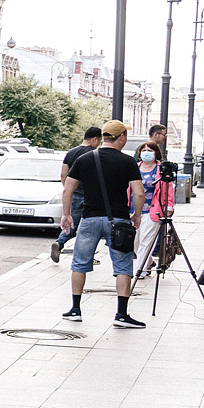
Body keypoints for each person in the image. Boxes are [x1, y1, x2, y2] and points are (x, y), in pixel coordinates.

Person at [60, 120, 145, 328]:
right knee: (123, 266)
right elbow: (139, 192)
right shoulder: (127, 162)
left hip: (89, 219)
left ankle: (75, 310)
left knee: (79, 263)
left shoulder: (84, 158)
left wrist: (66, 214)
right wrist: (137, 215)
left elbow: (67, 189)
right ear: (122, 137)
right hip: (119, 221)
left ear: (105, 137)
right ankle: (122, 314)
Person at [50, 128, 104, 263]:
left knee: (72, 221)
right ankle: (88, 256)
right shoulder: (94, 154)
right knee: (89, 226)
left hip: (74, 194)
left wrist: (69, 190)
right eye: (99, 141)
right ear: (95, 139)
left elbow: (63, 174)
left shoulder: (71, 152)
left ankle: (60, 242)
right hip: (90, 194)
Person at [132, 138, 173, 277]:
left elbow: (168, 190)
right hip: (133, 210)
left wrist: (169, 207)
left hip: (152, 210)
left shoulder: (160, 169)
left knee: (146, 241)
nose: (146, 153)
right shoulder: (134, 167)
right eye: (144, 150)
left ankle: (141, 271)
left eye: (150, 151)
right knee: (135, 243)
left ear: (156, 153)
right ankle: (148, 263)